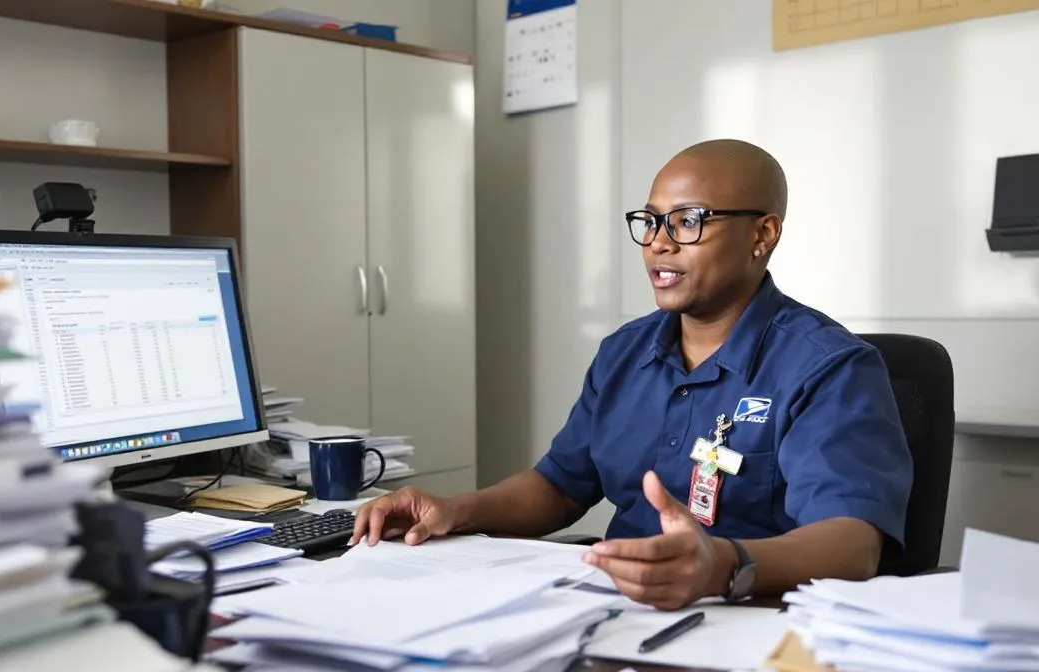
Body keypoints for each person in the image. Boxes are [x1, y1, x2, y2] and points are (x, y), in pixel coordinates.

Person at [349, 139, 913, 611]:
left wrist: (722, 564)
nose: (659, 243)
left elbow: (851, 544)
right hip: (610, 608)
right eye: (650, 222)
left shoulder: (829, 367)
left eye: (689, 221)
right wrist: (456, 510)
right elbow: (559, 487)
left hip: (749, 618)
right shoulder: (624, 351)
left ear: (762, 236)